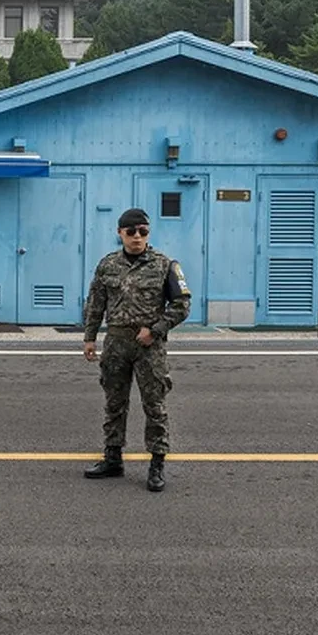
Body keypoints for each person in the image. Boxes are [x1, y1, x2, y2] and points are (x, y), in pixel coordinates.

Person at [81, 207, 191, 492]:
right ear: (120, 233)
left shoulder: (165, 265)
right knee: (114, 403)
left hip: (148, 347)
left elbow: (181, 306)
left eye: (143, 231)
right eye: (131, 232)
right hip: (116, 343)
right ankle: (113, 458)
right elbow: (96, 303)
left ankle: (157, 463)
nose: (137, 237)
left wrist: (155, 330)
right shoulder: (107, 265)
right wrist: (90, 337)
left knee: (154, 405)